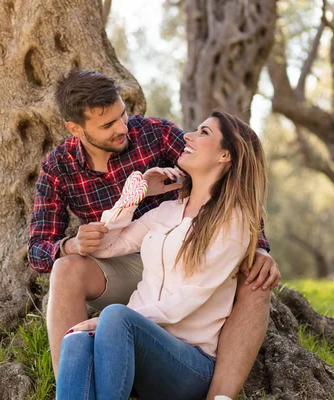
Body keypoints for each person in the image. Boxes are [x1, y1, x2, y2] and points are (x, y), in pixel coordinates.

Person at [27, 69, 280, 399]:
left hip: (180, 332)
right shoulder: (62, 167)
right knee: (74, 313)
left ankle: (220, 396)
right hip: (134, 260)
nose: (122, 128)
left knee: (255, 281)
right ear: (76, 129)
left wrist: (257, 246)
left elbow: (235, 182)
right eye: (107, 125)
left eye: (122, 116)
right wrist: (133, 194)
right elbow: (41, 250)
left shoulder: (156, 136)